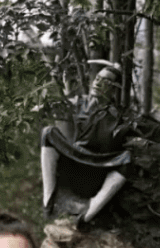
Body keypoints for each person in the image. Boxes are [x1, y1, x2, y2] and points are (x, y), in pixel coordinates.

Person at [41, 64, 132, 224]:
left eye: (105, 82)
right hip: (72, 165)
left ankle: (89, 213)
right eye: (97, 78)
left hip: (96, 170)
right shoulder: (78, 102)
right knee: (48, 132)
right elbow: (52, 107)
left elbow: (154, 130)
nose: (98, 83)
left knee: (127, 159)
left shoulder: (119, 115)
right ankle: (48, 200)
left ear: (114, 89)